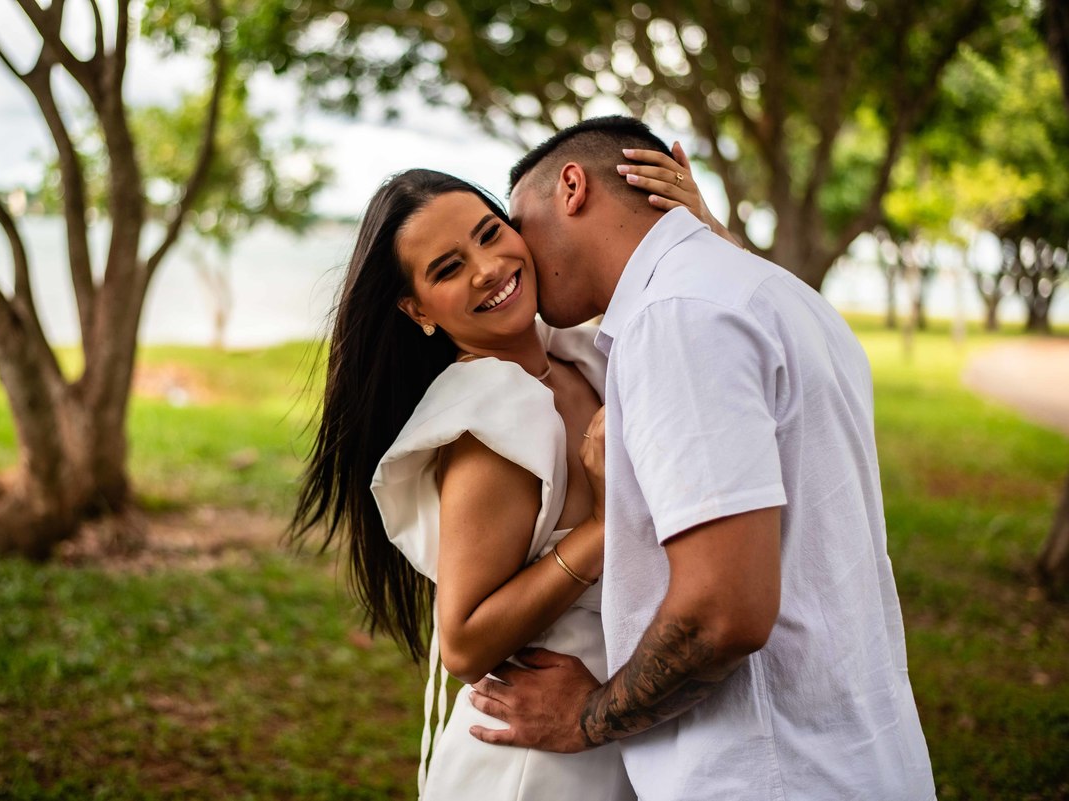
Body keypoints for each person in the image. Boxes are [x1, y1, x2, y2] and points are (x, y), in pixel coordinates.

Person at [465, 116, 936, 800]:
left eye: (516, 222)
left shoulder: (677, 317)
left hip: (771, 776)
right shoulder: (782, 295)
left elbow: (722, 612)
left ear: (571, 187)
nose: (516, 254)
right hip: (858, 756)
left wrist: (585, 716)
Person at [291, 145, 739, 800]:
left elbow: (746, 327)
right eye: (449, 268)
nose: (489, 267)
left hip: (607, 728)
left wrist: (699, 228)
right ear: (418, 310)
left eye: (489, 233)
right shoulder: (491, 423)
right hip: (533, 763)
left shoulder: (583, 356)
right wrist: (601, 528)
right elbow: (465, 643)